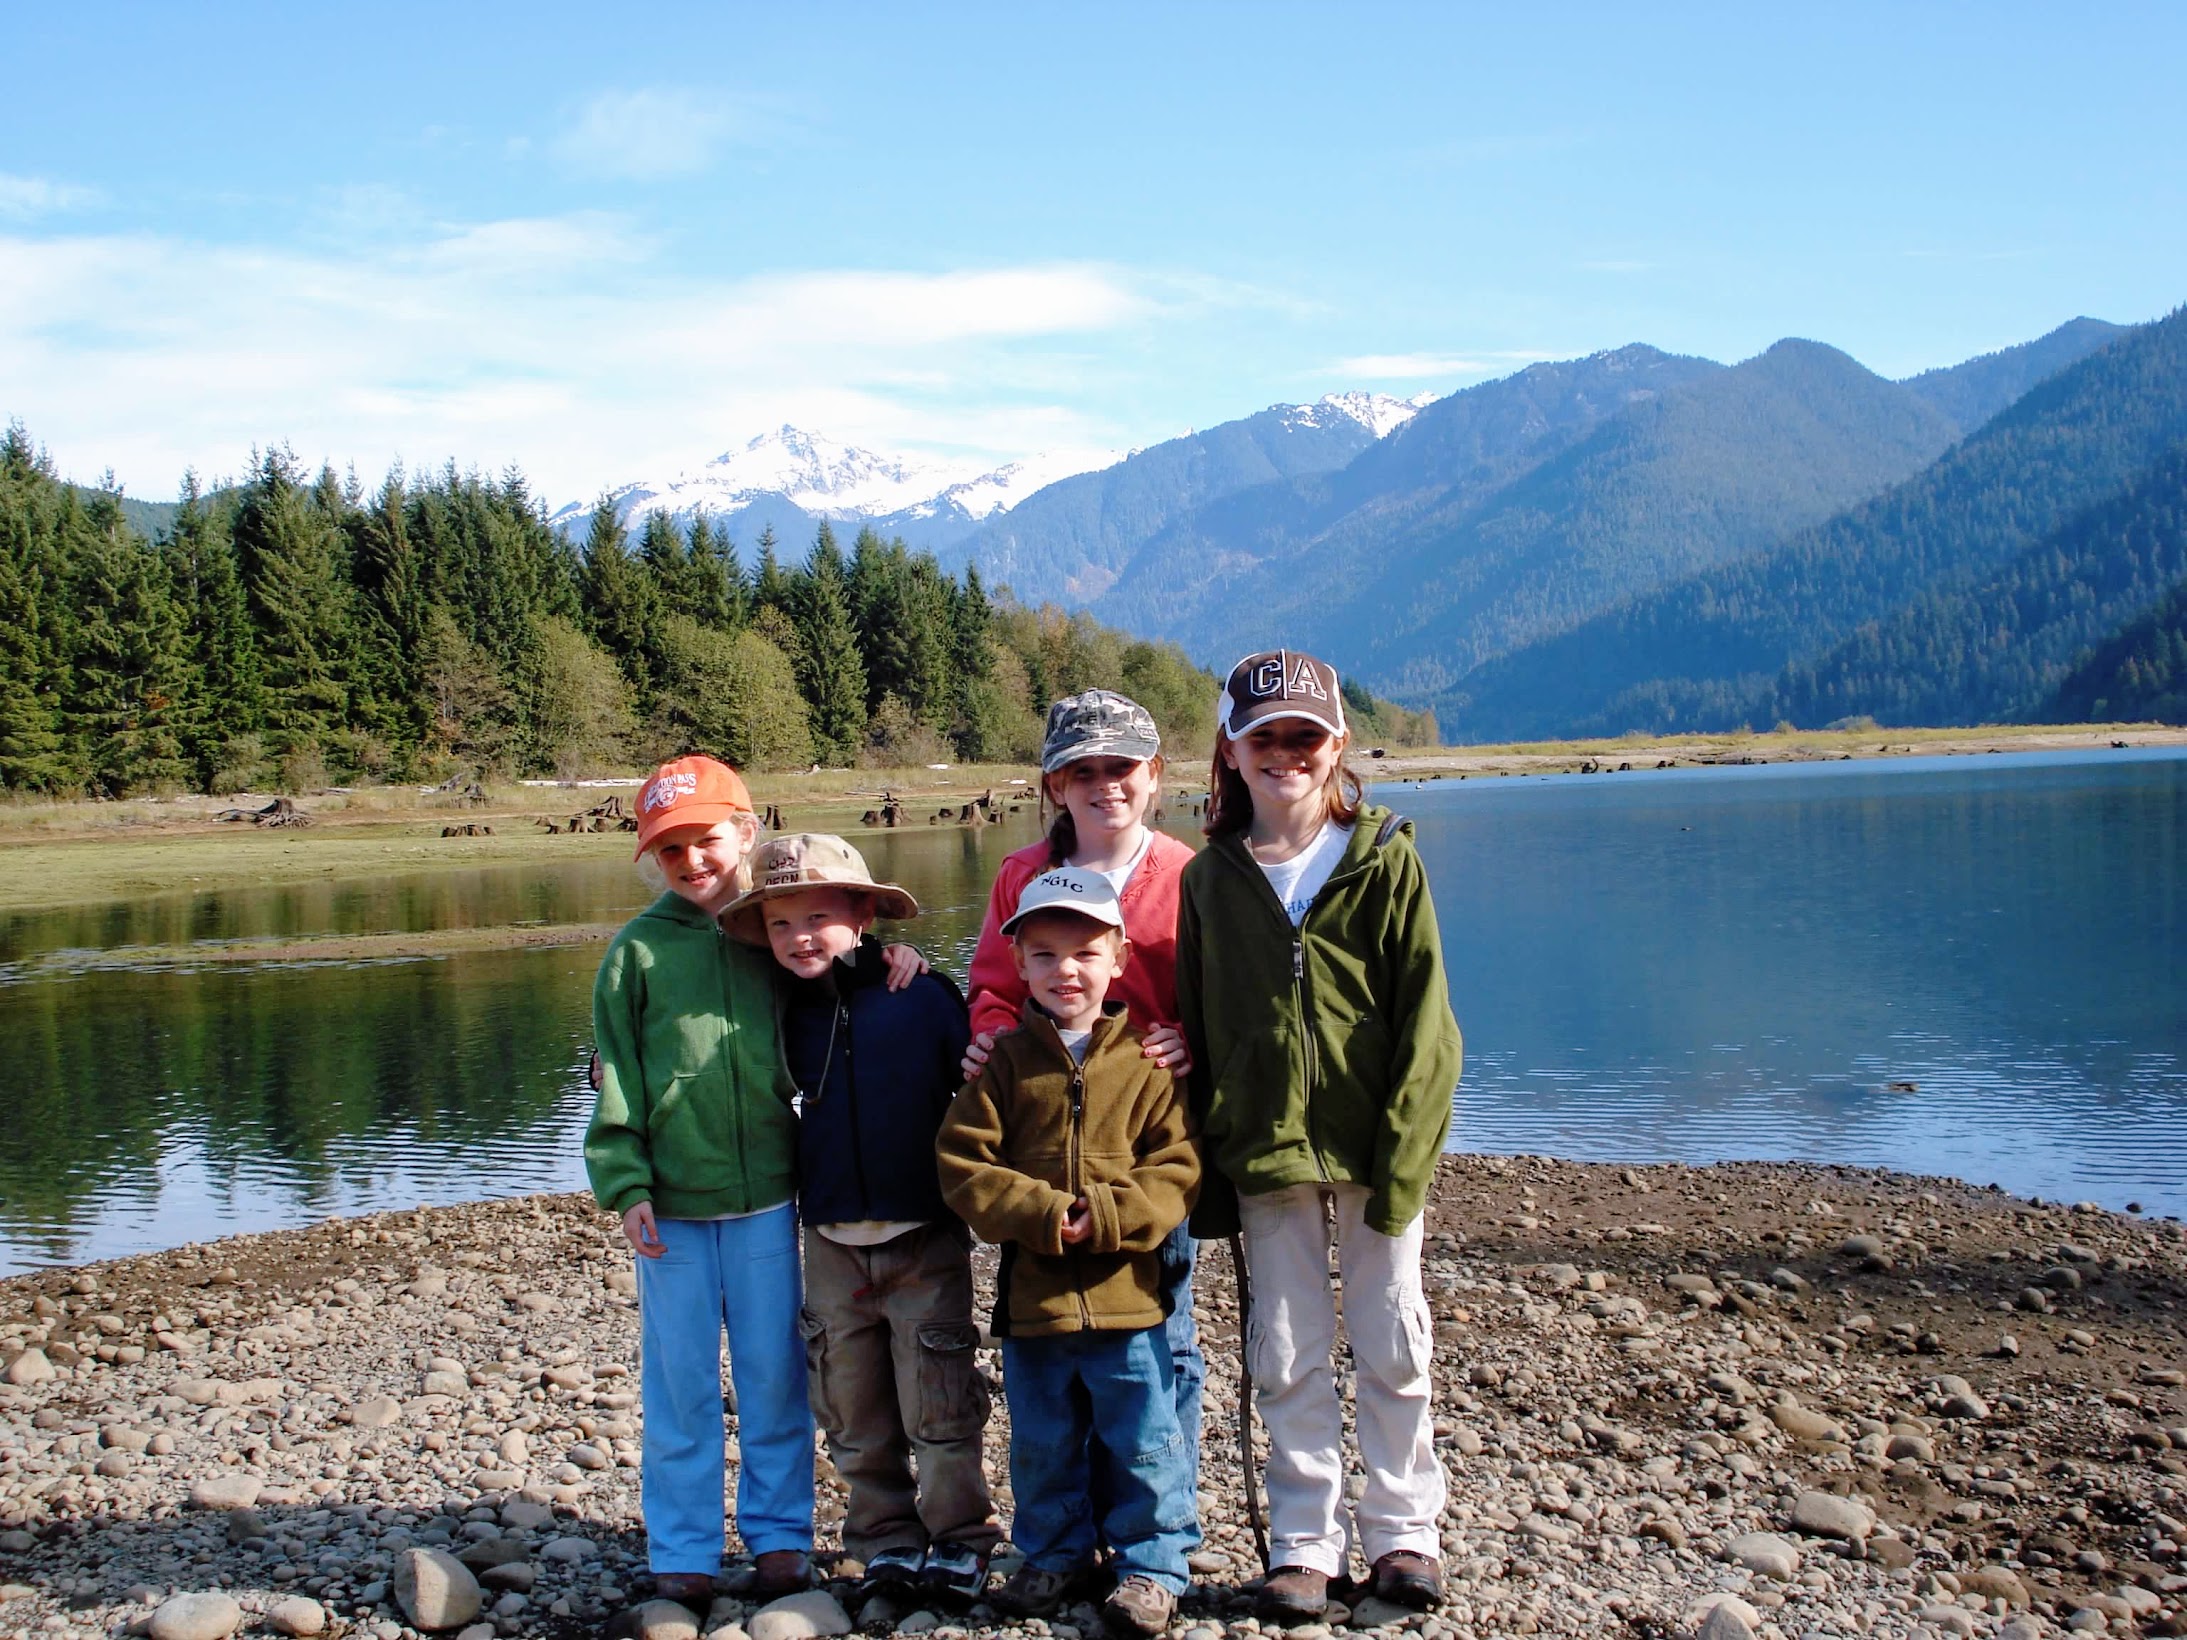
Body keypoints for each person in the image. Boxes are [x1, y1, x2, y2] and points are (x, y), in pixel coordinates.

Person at [1175, 651, 1464, 1621]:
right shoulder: (1210, 877)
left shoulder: (1385, 857)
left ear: (1337, 744)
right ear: (1233, 750)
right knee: (1287, 1346)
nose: (1286, 753)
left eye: (1305, 735)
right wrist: (1211, 1165)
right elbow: (1198, 1018)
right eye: (1267, 737)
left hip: (1376, 1146)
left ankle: (1402, 1533)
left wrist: (1407, 1157)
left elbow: (1430, 1027)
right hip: (1264, 1150)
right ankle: (1304, 1540)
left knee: (1392, 1339)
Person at [721, 833, 1002, 1604]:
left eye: (817, 918)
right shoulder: (774, 1010)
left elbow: (982, 1095)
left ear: (863, 915)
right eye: (779, 925)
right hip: (830, 1243)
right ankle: (883, 1538)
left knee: (938, 1399)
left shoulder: (924, 998)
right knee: (851, 1407)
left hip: (923, 1235)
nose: (798, 937)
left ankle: (960, 1537)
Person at [937, 868, 1201, 1639]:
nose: (1066, 971)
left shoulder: (1147, 1065)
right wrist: (1049, 1215)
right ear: (1018, 964)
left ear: (1118, 957)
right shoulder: (1004, 1065)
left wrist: (1112, 1216)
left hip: (1131, 1299)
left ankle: (1153, 1567)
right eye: (1045, 955)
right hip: (1035, 1304)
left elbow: (1177, 1166)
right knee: (1043, 1441)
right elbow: (963, 1165)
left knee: (1145, 1439)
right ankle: (1053, 1554)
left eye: (1085, 953)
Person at [584, 755, 818, 1607]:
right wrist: (626, 1182)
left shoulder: (777, 931)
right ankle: (681, 1544)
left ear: (746, 833)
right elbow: (617, 1078)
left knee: (773, 1373)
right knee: (680, 1382)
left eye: (706, 840)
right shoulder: (635, 953)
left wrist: (895, 966)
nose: (691, 861)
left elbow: (843, 979)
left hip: (767, 1203)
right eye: (671, 848)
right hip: (671, 1211)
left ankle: (783, 1536)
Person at [963, 689, 1206, 1501]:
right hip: (1042, 1143)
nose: (1106, 784)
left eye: (1122, 767)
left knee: (1163, 1336)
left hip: (1147, 1142)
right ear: (1054, 785)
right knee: (1053, 1343)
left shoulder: (1190, 874)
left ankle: (1162, 1526)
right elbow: (993, 991)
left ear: (1154, 775)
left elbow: (1221, 997)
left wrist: (1189, 1036)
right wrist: (991, 1036)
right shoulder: (1019, 876)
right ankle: (1070, 1526)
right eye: (1083, 770)